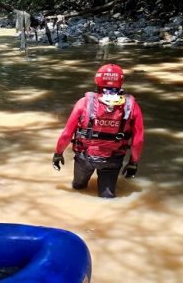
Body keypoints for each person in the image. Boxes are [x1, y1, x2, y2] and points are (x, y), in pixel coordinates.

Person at [52, 63, 144, 198]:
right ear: (121, 81)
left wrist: (58, 153)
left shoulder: (84, 102)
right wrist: (133, 163)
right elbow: (138, 140)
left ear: (97, 80)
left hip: (84, 156)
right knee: (107, 197)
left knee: (78, 189)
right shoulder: (131, 106)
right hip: (113, 158)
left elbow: (67, 134)